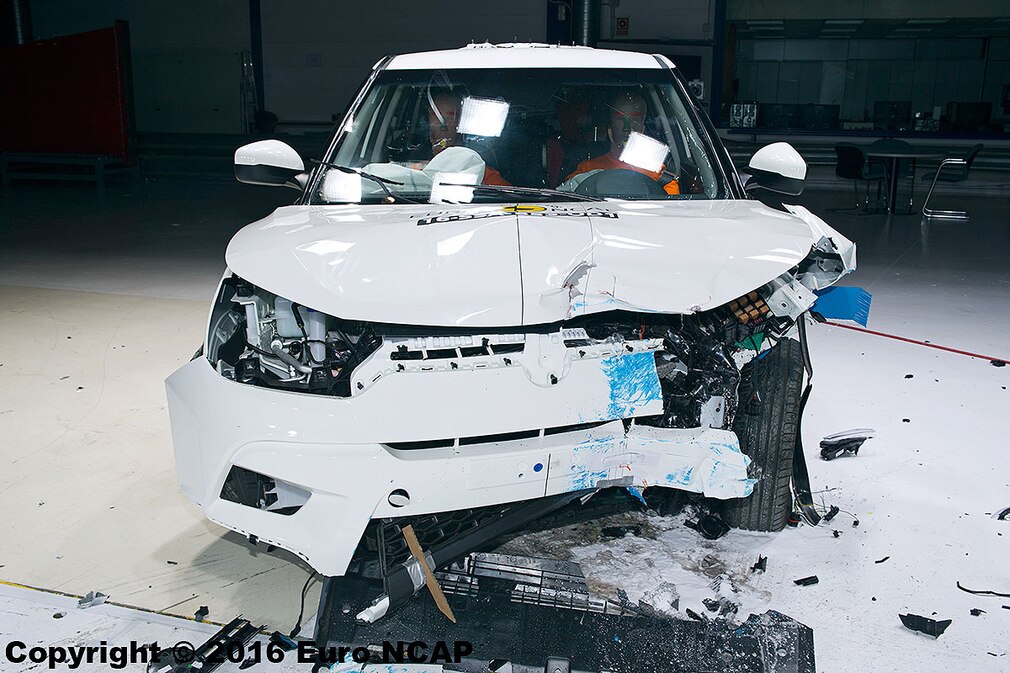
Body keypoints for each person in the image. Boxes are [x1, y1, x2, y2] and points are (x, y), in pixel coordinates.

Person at [565, 91, 680, 194]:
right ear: (610, 129)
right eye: (620, 119)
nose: (627, 128)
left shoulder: (660, 177)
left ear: (642, 129)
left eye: (633, 120)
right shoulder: (586, 170)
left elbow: (670, 213)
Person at [426, 91, 510, 186]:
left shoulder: (476, 164)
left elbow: (508, 196)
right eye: (436, 117)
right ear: (427, 121)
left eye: (450, 118)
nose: (443, 126)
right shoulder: (411, 163)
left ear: (460, 122)